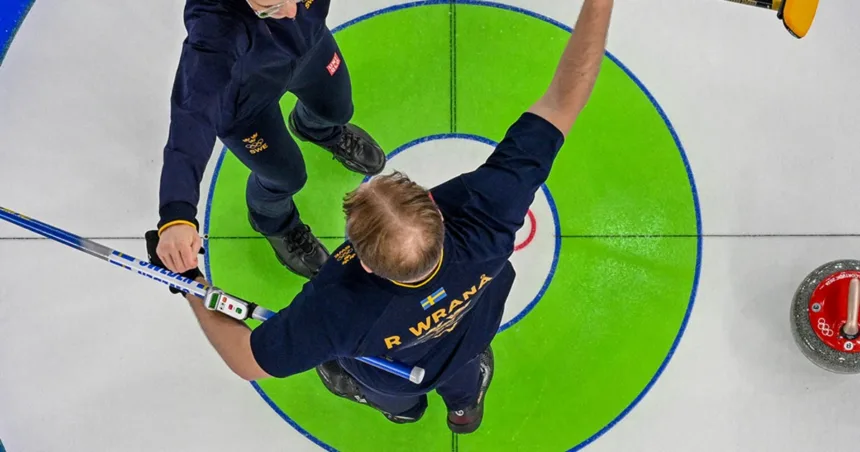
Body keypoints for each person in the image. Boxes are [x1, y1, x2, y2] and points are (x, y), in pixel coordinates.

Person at [146, 0, 615, 434]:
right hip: (471, 332)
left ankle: (400, 411)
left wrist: (191, 284)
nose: (287, 8)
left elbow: (248, 361)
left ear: (363, 263)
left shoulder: (336, 313)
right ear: (433, 209)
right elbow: (564, 99)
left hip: (392, 371)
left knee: (395, 393)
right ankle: (465, 406)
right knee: (463, 370)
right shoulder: (487, 217)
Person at [153, 0, 386, 280]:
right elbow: (193, 116)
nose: (290, 12)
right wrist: (177, 212)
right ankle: (275, 222)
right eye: (268, 7)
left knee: (337, 110)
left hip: (311, 48)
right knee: (287, 176)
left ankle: (316, 129)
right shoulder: (216, 26)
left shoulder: (293, 10)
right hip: (246, 106)